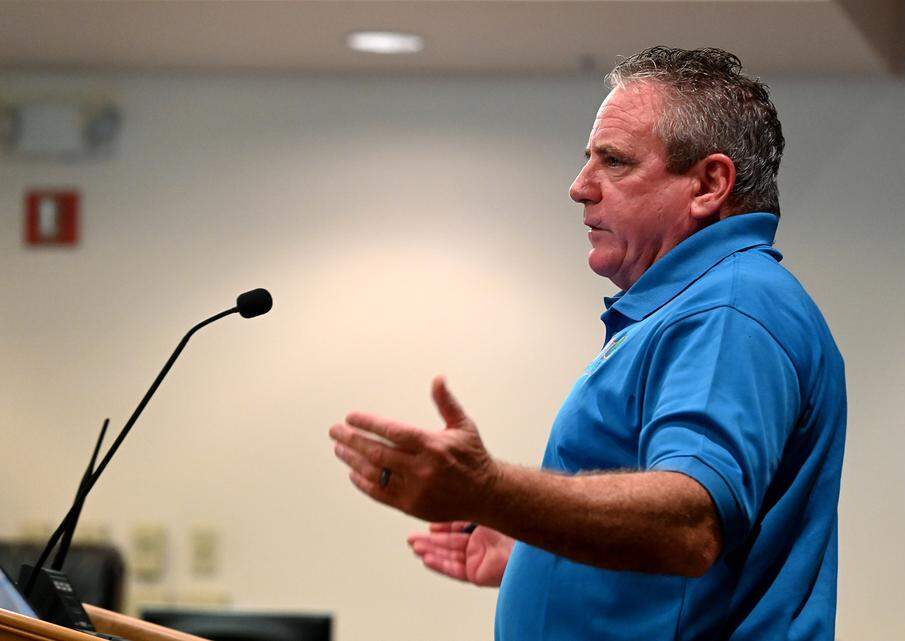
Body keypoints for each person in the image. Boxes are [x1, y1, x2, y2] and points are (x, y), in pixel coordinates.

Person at [328, 46, 847, 641]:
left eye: (615, 162)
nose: (580, 188)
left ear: (709, 184)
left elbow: (689, 523)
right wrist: (543, 547)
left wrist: (492, 491)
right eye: (587, 161)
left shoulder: (729, 306)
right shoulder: (701, 304)